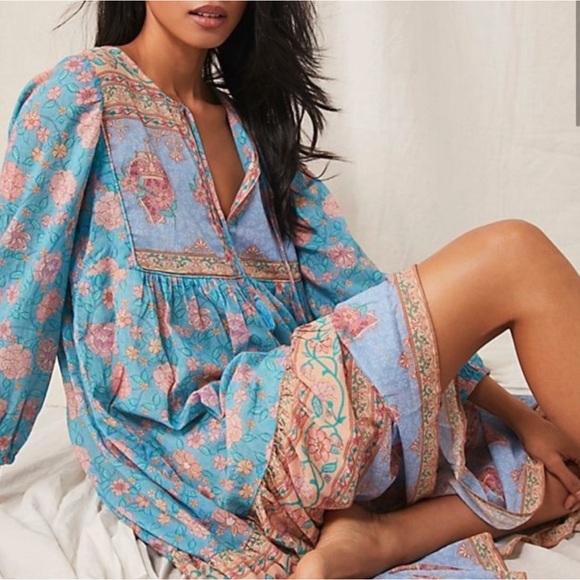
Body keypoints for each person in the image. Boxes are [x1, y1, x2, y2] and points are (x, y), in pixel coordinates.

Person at [1, 1, 579, 578]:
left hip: (297, 418)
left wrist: (524, 419)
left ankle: (375, 537)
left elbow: (358, 290)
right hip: (204, 452)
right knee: (514, 252)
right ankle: (363, 525)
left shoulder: (253, 128)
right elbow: (17, 307)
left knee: (546, 464)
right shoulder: (80, 97)